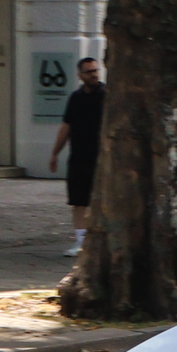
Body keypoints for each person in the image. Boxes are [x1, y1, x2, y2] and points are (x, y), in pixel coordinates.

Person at [48, 56, 104, 256]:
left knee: (103, 199)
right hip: (80, 156)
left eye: (96, 70)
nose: (94, 74)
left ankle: (101, 242)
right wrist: (55, 153)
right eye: (89, 71)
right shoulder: (76, 98)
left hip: (103, 158)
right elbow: (66, 127)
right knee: (78, 201)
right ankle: (81, 242)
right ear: (80, 75)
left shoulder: (107, 95)